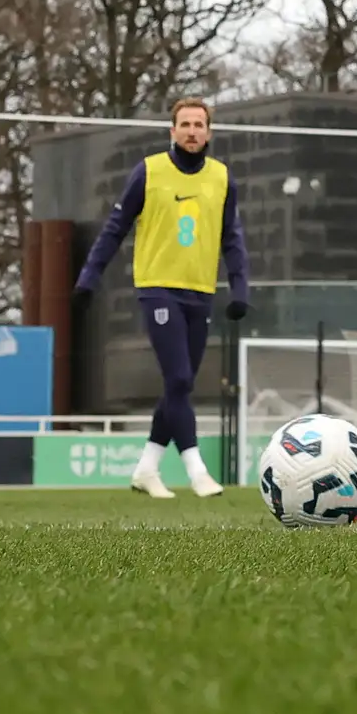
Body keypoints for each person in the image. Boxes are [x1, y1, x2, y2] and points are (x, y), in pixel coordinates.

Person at [78, 96, 250, 498]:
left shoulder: (223, 179)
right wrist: (89, 277)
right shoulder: (149, 172)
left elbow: (233, 238)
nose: (192, 131)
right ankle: (196, 470)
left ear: (209, 132)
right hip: (157, 288)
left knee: (179, 387)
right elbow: (115, 228)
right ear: (172, 130)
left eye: (199, 124)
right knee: (178, 378)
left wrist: (240, 288)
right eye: (185, 124)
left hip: (200, 291)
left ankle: (146, 468)